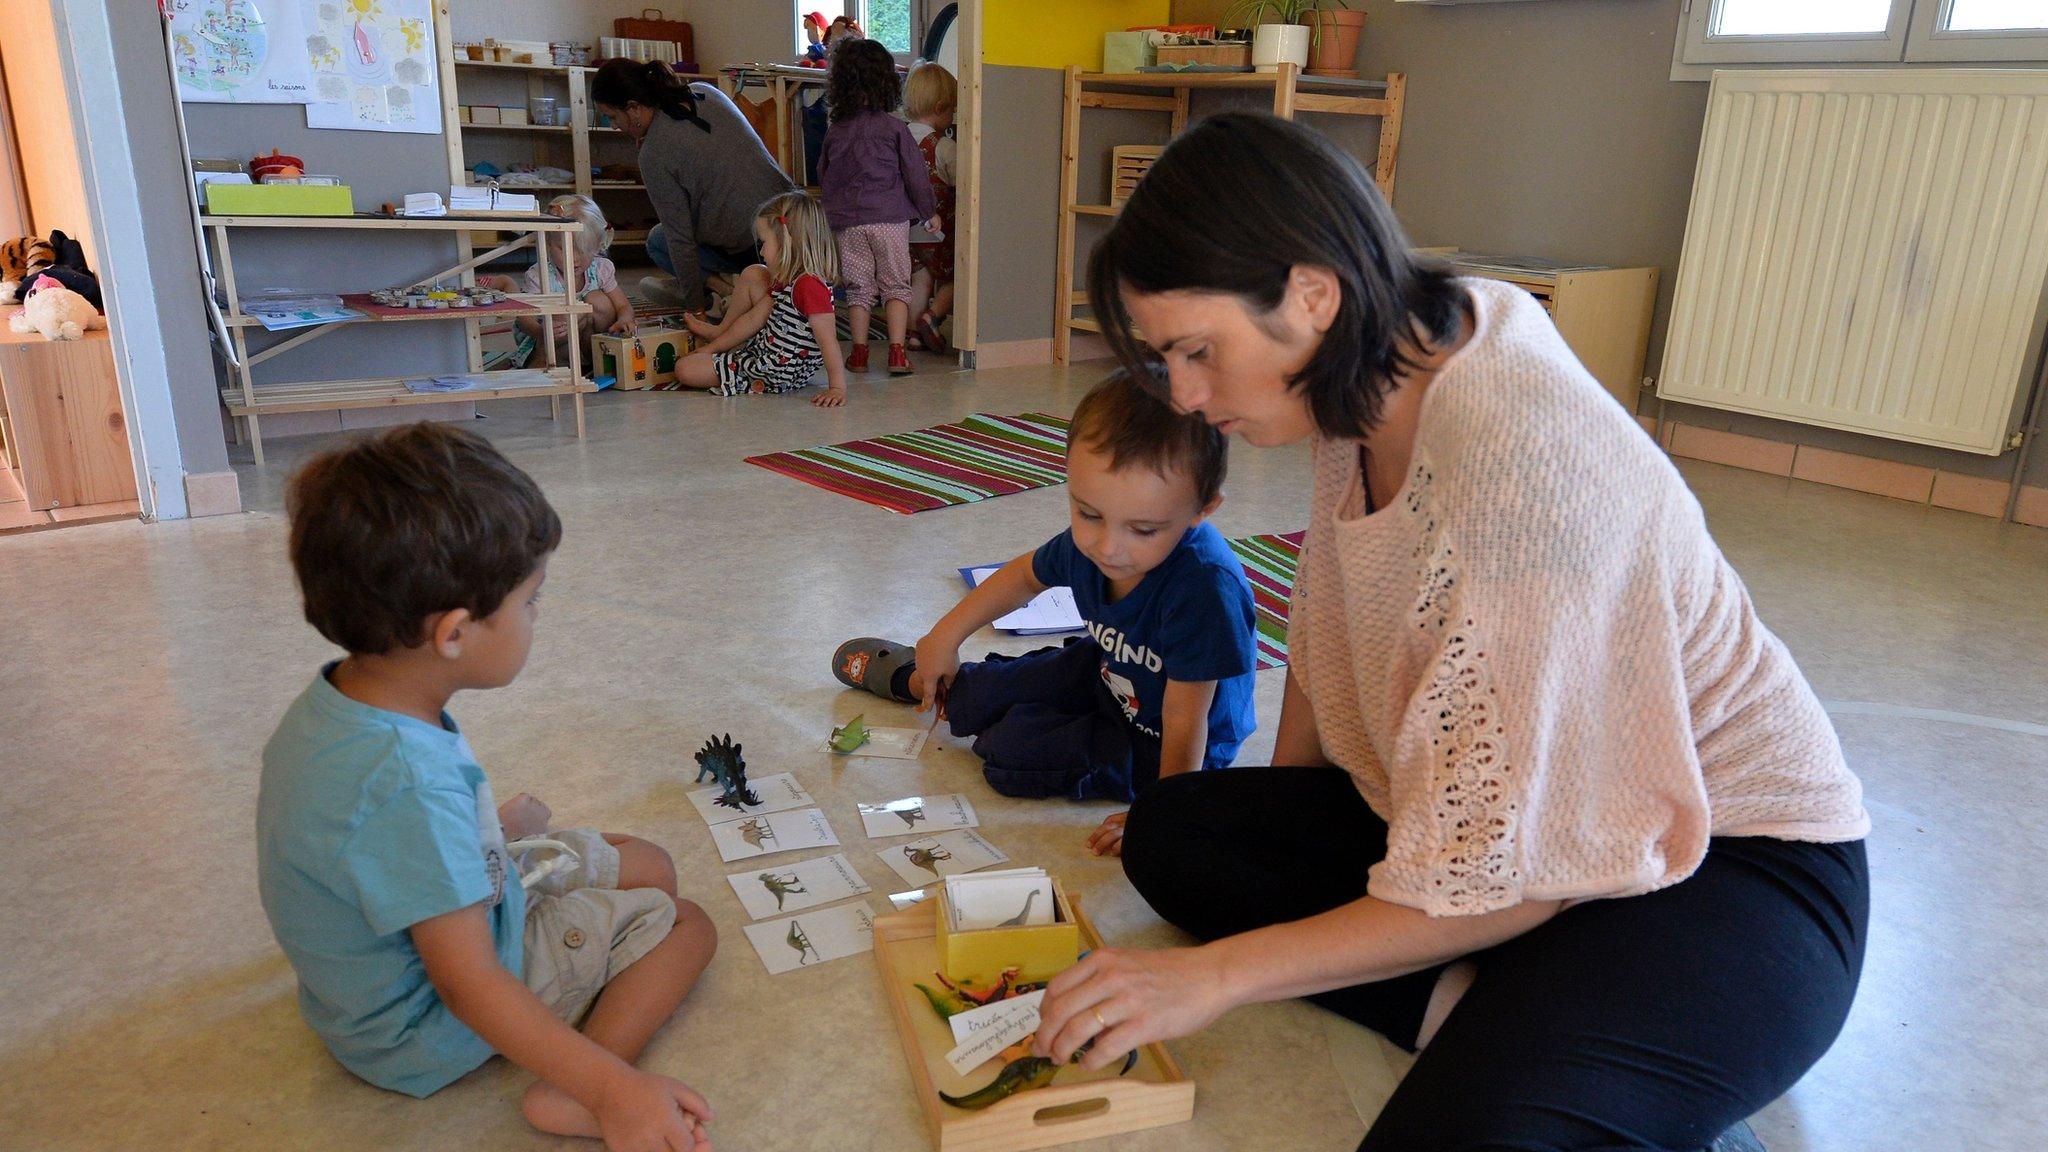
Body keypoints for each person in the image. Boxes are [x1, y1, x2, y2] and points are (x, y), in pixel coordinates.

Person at [1028, 113, 1871, 1152]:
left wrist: (1212, 977)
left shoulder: (1523, 473)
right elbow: (1331, 623)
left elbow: (1506, 874)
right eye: (1167, 362)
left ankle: (1600, 1072)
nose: (1189, 400)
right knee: (1178, 834)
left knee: (1460, 1135)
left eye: (1197, 353)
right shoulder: (1378, 361)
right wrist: (1269, 817)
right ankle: (1531, 1032)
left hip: (1724, 870)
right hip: (1530, 850)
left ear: (1310, 293)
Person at [257, 423, 720, 1150]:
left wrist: (488, 832)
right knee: (687, 921)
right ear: (453, 633)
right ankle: (581, 1089)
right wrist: (619, 1094)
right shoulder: (407, 783)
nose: (536, 616)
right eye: (530, 601)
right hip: (422, 1028)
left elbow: (376, 845)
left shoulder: (347, 703)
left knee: (650, 862)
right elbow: (468, 986)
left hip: (407, 951)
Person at [831, 372, 1258, 850]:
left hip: (1165, 743)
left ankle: (1016, 715)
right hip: (1106, 672)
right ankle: (920, 676)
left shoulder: (1205, 590)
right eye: (1088, 514)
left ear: (1202, 509)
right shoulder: (1094, 542)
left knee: (1007, 757)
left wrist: (1162, 811)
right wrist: (944, 637)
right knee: (971, 700)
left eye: (1143, 529)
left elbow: (1187, 722)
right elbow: (1024, 577)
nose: (1108, 547)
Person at [591, 58, 795, 313]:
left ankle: (727, 295)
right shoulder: (705, 91)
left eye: (613, 116)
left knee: (658, 241)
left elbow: (680, 238)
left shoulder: (654, 152)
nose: (615, 126)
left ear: (633, 108)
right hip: (795, 222)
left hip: (756, 244)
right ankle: (731, 293)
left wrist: (695, 310)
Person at [818, 37, 938, 377]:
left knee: (859, 288)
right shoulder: (894, 129)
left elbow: (825, 176)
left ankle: (858, 353)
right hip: (889, 220)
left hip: (849, 223)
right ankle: (897, 353)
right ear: (887, 81)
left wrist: (832, 215)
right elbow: (916, 175)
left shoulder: (836, 132)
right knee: (896, 286)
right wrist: (928, 211)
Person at [671, 191, 848, 406]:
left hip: (772, 371)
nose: (762, 251)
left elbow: (828, 340)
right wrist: (712, 348)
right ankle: (719, 337)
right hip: (764, 355)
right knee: (755, 271)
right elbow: (752, 320)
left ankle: (735, 367)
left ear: (787, 243)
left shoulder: (809, 286)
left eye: (764, 242)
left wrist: (837, 387)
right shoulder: (789, 281)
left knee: (684, 369)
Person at [485, 194, 632, 368]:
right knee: (566, 309)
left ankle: (598, 357)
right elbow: (524, 319)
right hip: (552, 343)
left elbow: (623, 306)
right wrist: (542, 332)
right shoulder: (539, 275)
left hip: (590, 343)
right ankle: (546, 360)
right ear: (548, 243)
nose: (575, 258)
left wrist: (624, 320)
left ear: (598, 245)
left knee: (597, 300)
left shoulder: (601, 268)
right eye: (564, 249)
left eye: (584, 250)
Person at [902, 62, 958, 355]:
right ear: (939, 108)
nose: (952, 118)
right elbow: (964, 182)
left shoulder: (896, 138)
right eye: (952, 111)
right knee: (956, 277)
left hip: (904, 227)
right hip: (939, 231)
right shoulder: (944, 146)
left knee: (919, 280)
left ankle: (913, 335)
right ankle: (932, 317)